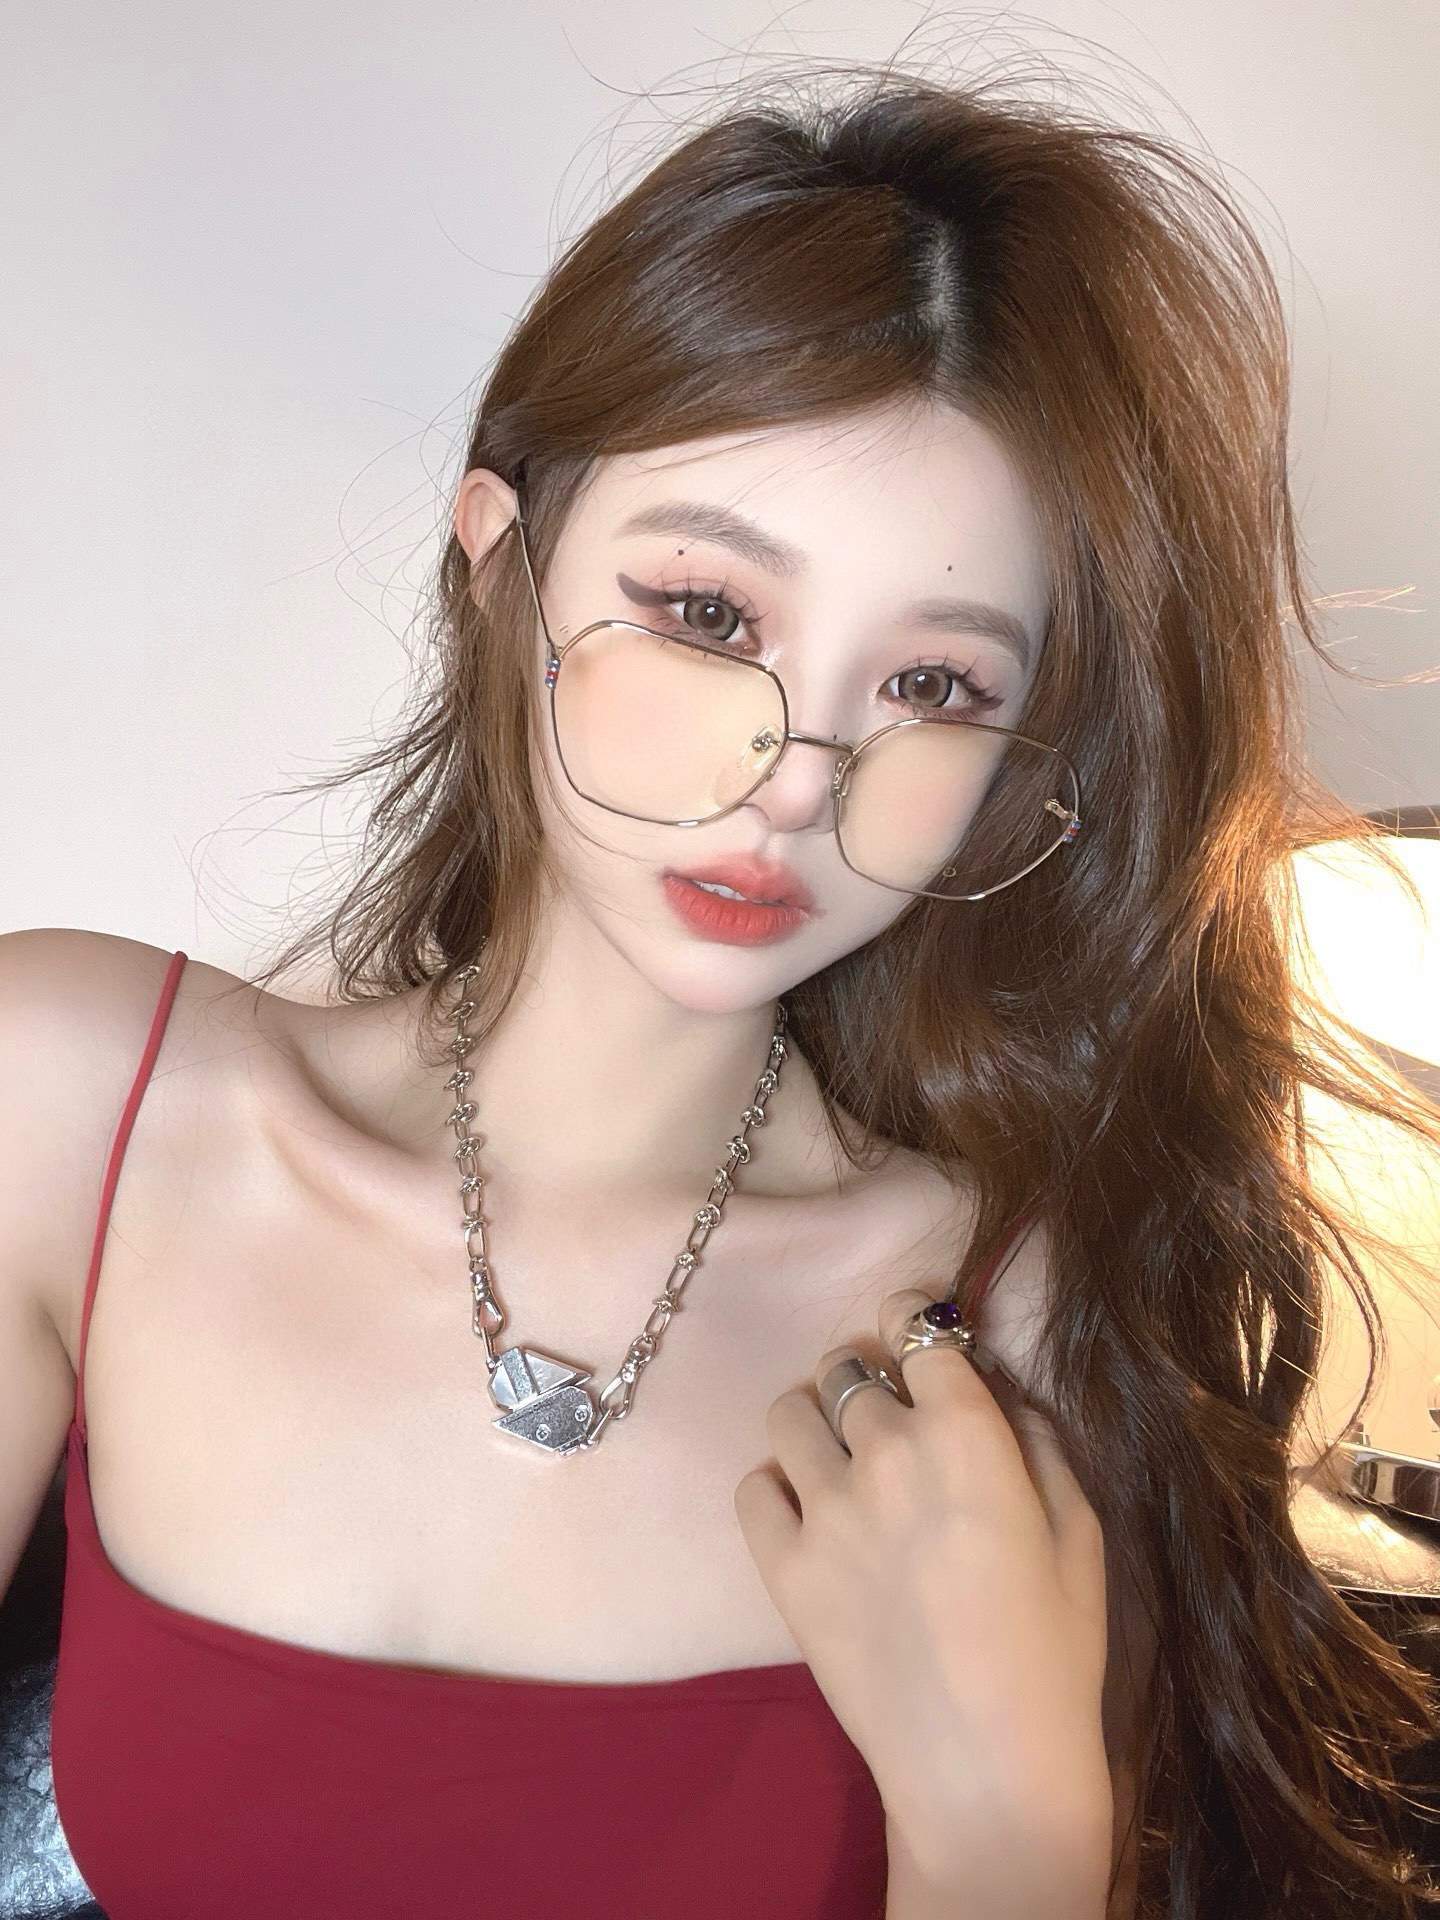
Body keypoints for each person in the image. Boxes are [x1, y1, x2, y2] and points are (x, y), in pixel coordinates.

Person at [3, 59, 1438, 1920]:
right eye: (707, 615)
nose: (795, 778)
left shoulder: (1006, 1327)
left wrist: (1007, 1836)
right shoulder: (68, 1111)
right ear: (500, 566)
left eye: (933, 688)